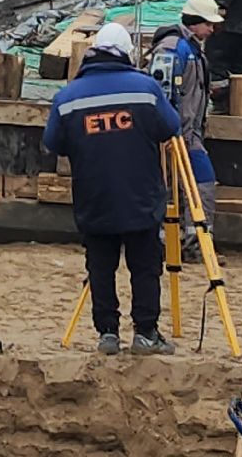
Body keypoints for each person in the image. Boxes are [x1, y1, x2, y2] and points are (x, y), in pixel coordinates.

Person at [44, 22, 182, 356]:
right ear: (127, 54)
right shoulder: (146, 89)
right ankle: (146, 333)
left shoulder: (67, 98)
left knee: (100, 267)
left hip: (95, 198)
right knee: (145, 266)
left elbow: (53, 144)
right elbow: (171, 126)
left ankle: (107, 333)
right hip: (140, 197)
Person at [148, 0, 225, 257]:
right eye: (208, 24)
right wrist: (170, 131)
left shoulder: (189, 49)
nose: (212, 29)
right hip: (177, 135)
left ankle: (191, 244)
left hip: (188, 133)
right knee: (190, 188)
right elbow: (163, 92)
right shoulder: (173, 48)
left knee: (193, 188)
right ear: (194, 21)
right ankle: (186, 245)